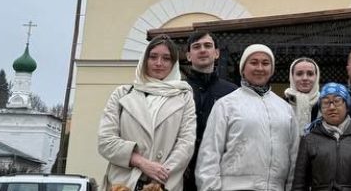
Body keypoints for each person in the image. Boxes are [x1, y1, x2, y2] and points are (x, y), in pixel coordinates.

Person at [98, 35, 196, 191]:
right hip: (123, 184)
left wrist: (160, 174)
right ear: (144, 60)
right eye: (153, 57)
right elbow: (105, 141)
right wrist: (141, 162)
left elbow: (186, 142)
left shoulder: (184, 96)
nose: (159, 63)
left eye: (166, 58)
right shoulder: (122, 94)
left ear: (173, 63)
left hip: (165, 184)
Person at [196, 43, 298, 191]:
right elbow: (209, 154)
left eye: (265, 63)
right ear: (243, 69)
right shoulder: (226, 105)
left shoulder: (285, 108)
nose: (260, 68)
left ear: (272, 70)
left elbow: (294, 157)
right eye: (253, 62)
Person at [291, 82, 351, 191]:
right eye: (325, 102)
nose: (332, 107)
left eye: (337, 101)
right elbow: (299, 184)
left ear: (347, 106)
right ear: (321, 108)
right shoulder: (309, 139)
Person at [182, 31, 237, 191]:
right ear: (189, 56)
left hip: (221, 173)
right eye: (196, 47)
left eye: (208, 46)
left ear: (217, 53)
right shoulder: (179, 90)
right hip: (182, 172)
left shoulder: (232, 92)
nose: (203, 50)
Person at [285, 57, 321, 133]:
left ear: (316, 77)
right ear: (292, 77)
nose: (305, 78)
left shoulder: (325, 104)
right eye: (299, 74)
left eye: (310, 74)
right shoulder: (281, 105)